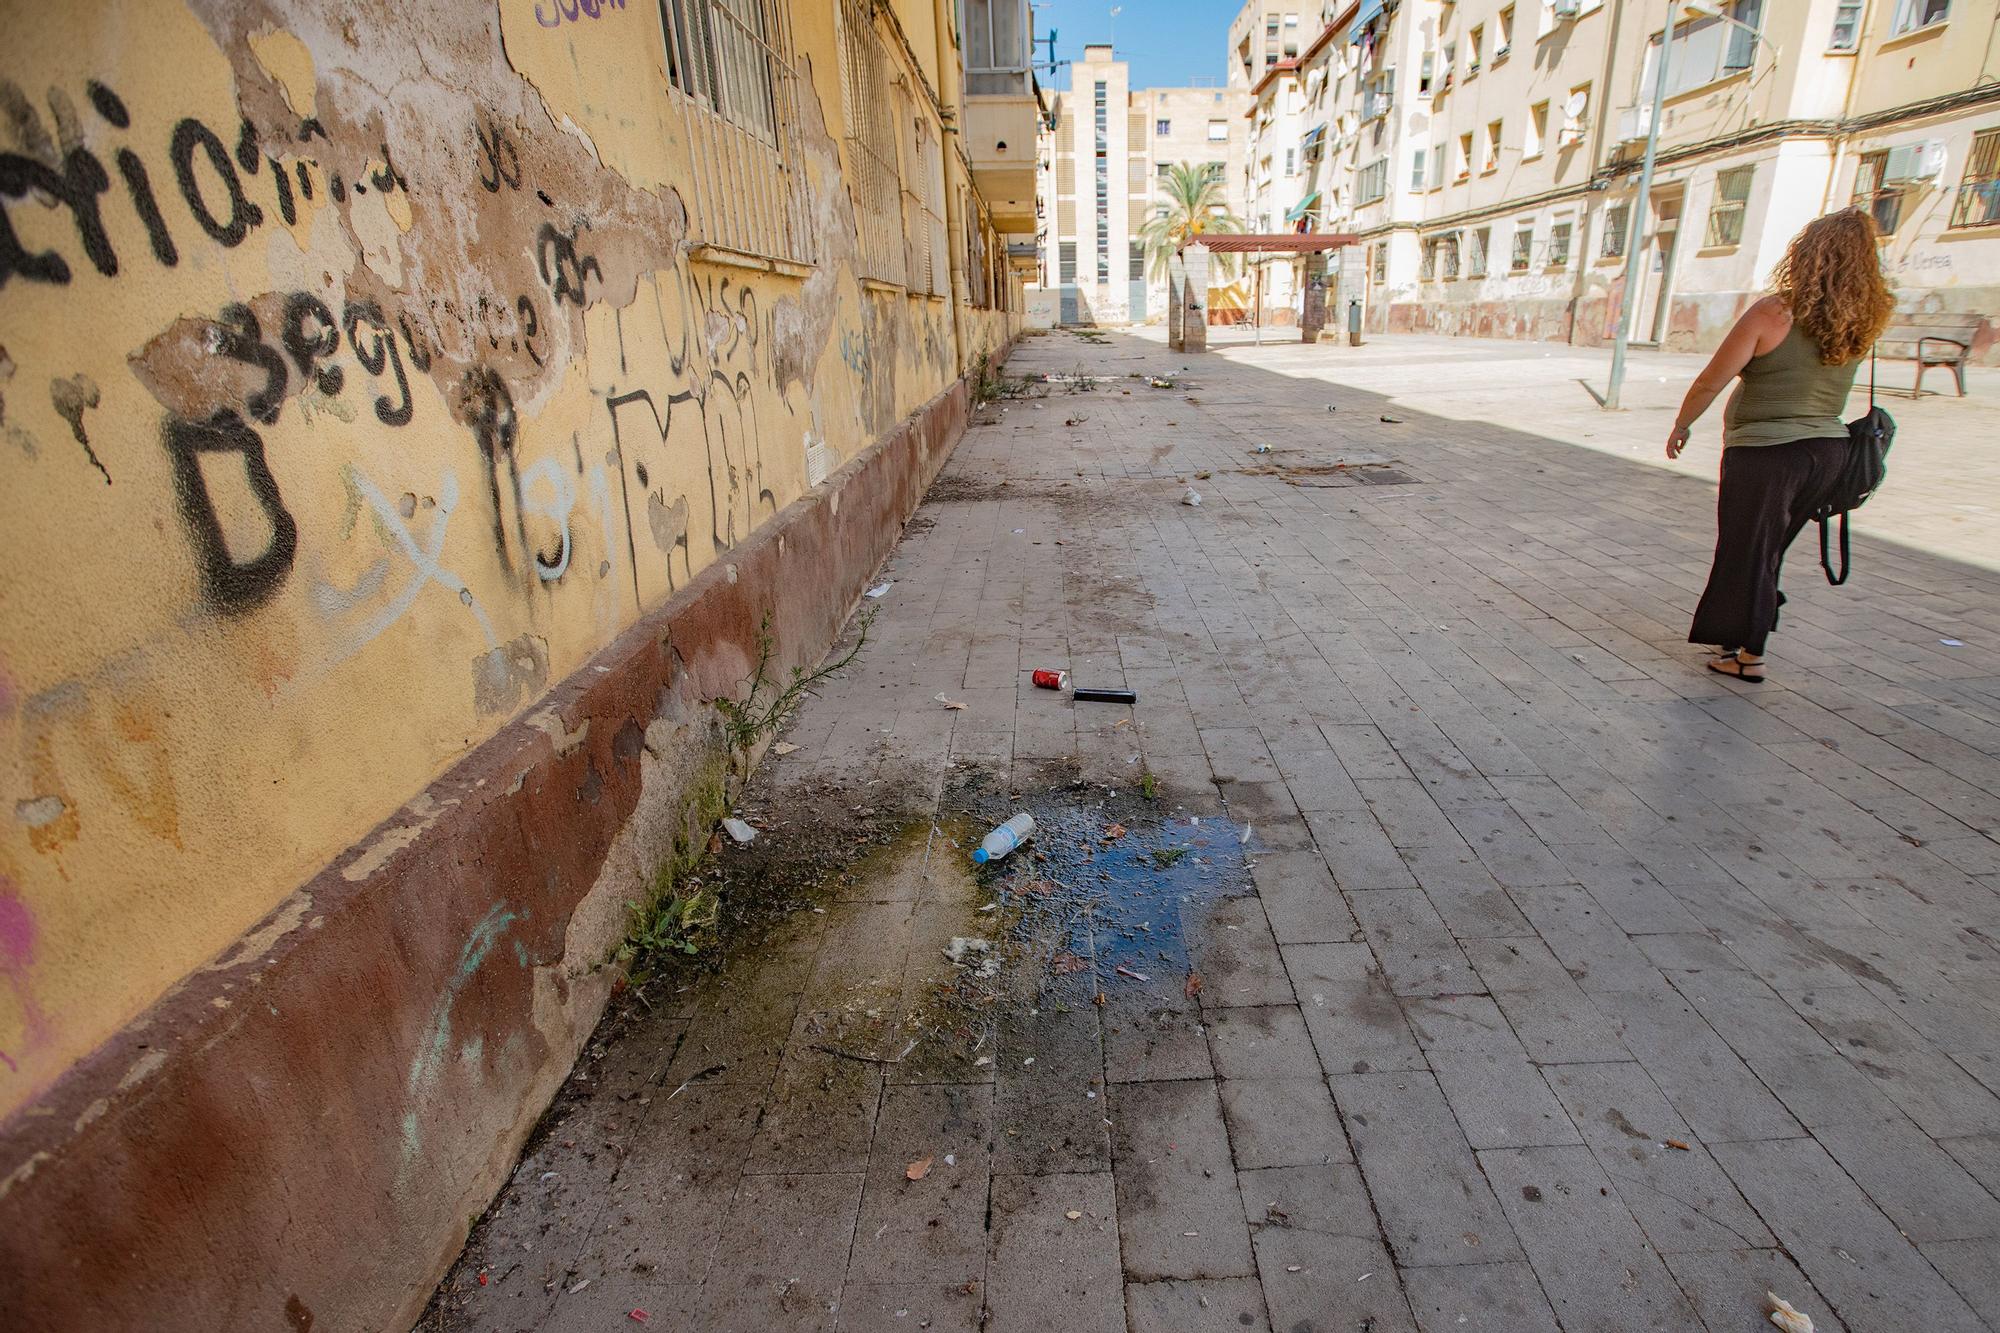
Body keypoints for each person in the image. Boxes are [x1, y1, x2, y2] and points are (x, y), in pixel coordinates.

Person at [1666, 208, 1895, 682]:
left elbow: (1712, 380)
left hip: (1767, 454)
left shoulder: (1775, 312)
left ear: (1806, 255)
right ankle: (1745, 629)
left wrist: (1683, 425)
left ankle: (1750, 655)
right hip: (1829, 454)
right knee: (1767, 551)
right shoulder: (1865, 318)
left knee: (1748, 550)